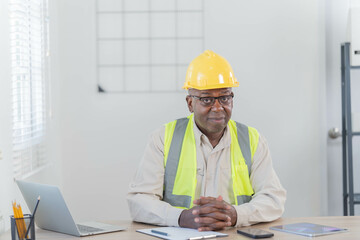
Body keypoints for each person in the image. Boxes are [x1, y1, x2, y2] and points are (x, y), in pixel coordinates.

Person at [127, 50, 286, 231]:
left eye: (224, 97)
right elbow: (139, 201)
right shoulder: (164, 138)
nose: (218, 107)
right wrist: (181, 217)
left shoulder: (252, 139)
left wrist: (235, 214)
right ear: (190, 103)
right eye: (207, 99)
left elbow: (274, 198)